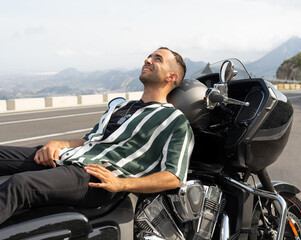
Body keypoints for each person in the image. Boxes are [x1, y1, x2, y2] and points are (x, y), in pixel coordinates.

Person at [0, 47, 194, 225]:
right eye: (149, 56)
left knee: (21, 185)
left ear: (171, 76)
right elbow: (89, 141)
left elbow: (174, 176)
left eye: (157, 59)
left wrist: (122, 184)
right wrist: (58, 143)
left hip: (95, 176)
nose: (148, 60)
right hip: (71, 158)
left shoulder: (174, 120)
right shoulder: (121, 107)